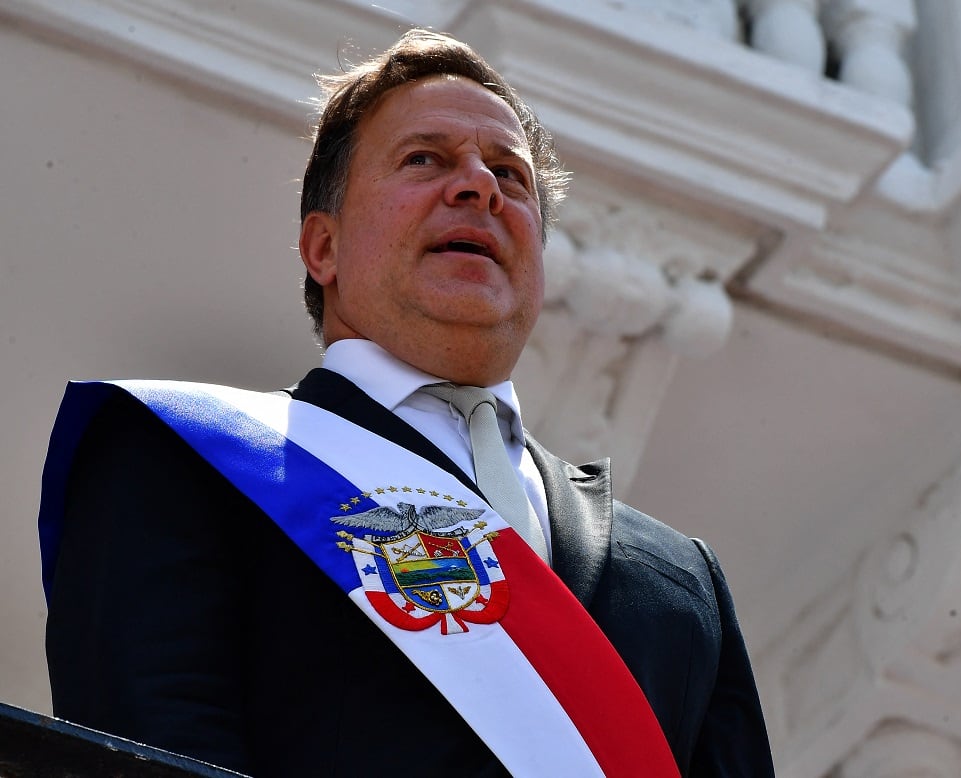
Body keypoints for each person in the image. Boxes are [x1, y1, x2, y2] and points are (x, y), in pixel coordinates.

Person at [40, 29, 773, 777]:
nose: (479, 186)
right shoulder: (185, 461)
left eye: (509, 176)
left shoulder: (683, 579)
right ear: (322, 248)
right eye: (424, 158)